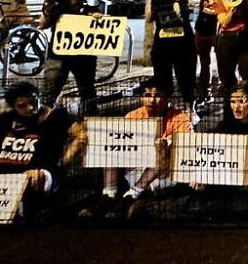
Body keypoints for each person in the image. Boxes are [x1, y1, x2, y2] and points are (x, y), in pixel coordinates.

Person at [79, 81, 193, 219]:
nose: (152, 100)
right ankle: (109, 194)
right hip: (135, 170)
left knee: (161, 152)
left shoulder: (180, 119)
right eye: (147, 95)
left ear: (167, 98)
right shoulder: (133, 115)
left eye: (157, 96)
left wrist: (164, 145)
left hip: (161, 176)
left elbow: (183, 150)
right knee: (110, 144)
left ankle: (133, 195)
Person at [188, 83, 248, 215]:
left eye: (242, 101)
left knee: (241, 204)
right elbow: (210, 152)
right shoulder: (227, 126)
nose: (237, 107)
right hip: (233, 180)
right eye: (233, 102)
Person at [0, 82, 87, 202]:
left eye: (33, 102)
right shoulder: (6, 119)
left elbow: (81, 136)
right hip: (4, 175)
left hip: (40, 174)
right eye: (22, 106)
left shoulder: (56, 117)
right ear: (13, 107)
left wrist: (62, 163)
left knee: (37, 177)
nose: (30, 108)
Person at [41, 0, 103, 115]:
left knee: (86, 90)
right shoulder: (57, 8)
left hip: (83, 58)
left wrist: (97, 18)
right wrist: (48, 8)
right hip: (58, 56)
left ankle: (89, 119)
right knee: (48, 90)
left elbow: (100, 27)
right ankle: (44, 118)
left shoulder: (90, 10)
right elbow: (43, 24)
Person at [147, 0, 202, 107]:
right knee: (162, 78)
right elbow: (149, 18)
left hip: (183, 44)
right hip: (162, 44)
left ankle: (190, 108)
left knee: (186, 78)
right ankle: (166, 109)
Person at [192, 0, 226, 104]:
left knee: (223, 61)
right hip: (202, 29)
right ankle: (205, 91)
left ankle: (227, 89)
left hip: (217, 30)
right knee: (204, 62)